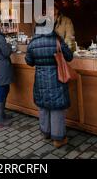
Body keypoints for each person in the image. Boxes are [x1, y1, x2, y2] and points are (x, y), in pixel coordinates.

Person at [25, 20, 73, 148]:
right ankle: (58, 139)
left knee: (43, 105)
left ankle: (45, 132)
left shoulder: (32, 43)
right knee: (56, 107)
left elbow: (29, 61)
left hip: (40, 78)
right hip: (56, 78)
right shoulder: (57, 40)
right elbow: (69, 56)